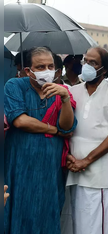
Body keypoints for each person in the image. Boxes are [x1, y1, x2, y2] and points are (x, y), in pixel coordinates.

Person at [4, 46, 77, 234]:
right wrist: (54, 130)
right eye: (41, 67)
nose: (47, 71)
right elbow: (20, 120)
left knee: (48, 210)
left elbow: (67, 127)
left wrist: (65, 99)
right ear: (29, 71)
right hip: (21, 165)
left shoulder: (61, 91)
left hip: (50, 168)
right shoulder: (15, 85)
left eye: (50, 66)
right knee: (20, 209)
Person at [66, 47, 108, 234]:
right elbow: (66, 129)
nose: (87, 66)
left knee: (99, 225)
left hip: (100, 174)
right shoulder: (72, 91)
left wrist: (86, 160)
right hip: (73, 169)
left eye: (93, 63)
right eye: (86, 61)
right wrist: (69, 157)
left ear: (104, 70)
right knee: (76, 221)